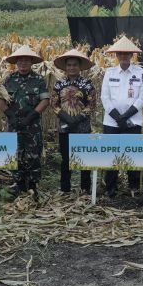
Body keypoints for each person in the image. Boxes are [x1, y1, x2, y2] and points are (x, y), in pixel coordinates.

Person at [0, 46, 50, 197]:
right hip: (14, 124)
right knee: (15, 154)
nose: (23, 63)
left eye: (27, 60)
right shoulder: (9, 79)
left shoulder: (38, 79)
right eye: (20, 60)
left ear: (32, 62)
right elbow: (1, 101)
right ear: (16, 62)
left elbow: (45, 100)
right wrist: (10, 115)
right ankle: (19, 184)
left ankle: (33, 185)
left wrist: (31, 116)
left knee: (33, 154)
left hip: (32, 124)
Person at [100, 36, 143, 197]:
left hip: (133, 121)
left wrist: (125, 117)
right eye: (121, 53)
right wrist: (117, 118)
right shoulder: (109, 72)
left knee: (132, 154)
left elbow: (142, 98)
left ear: (132, 55)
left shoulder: (141, 73)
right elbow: (105, 98)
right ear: (117, 55)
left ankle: (134, 187)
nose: (124, 56)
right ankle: (111, 187)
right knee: (111, 155)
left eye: (127, 53)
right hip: (111, 122)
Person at [51, 48, 96, 194]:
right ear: (65, 67)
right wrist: (66, 117)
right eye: (69, 65)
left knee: (85, 158)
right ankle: (65, 188)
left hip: (82, 127)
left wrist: (78, 118)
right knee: (66, 159)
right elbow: (54, 104)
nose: (71, 68)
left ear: (80, 67)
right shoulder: (59, 84)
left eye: (74, 65)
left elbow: (92, 104)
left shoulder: (87, 84)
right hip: (65, 126)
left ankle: (85, 188)